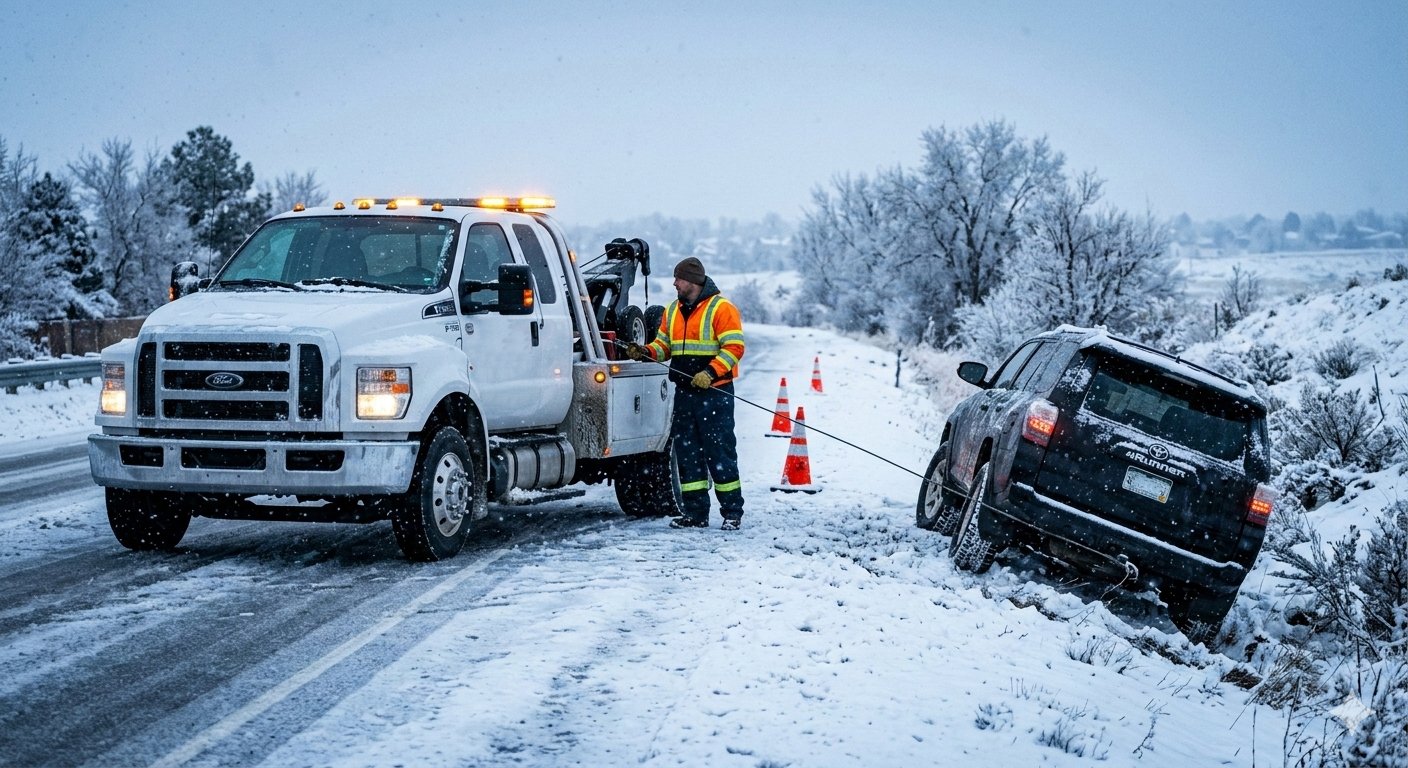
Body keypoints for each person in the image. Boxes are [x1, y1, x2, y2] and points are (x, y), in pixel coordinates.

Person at [626, 257, 746, 530]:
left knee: (720, 452)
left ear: (692, 281)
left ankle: (732, 513)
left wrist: (711, 373)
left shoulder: (721, 309)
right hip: (685, 393)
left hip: (715, 393)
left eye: (678, 279)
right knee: (688, 453)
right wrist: (646, 352)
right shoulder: (673, 310)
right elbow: (663, 346)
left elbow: (734, 348)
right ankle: (696, 514)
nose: (674, 283)